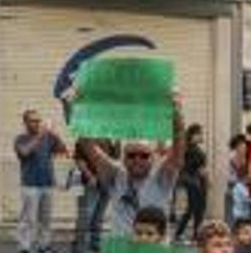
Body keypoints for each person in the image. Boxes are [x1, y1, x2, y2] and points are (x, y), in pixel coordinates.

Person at [78, 93, 186, 237]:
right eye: (131, 155)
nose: (137, 159)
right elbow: (88, 145)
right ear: (123, 158)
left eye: (144, 155)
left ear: (153, 158)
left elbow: (178, 150)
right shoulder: (116, 174)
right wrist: (80, 109)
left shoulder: (161, 177)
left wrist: (176, 113)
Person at [14, 109, 68, 253]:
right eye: (33, 121)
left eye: (39, 120)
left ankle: (44, 246)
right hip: (30, 185)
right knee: (28, 219)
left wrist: (56, 134)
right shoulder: (21, 138)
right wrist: (39, 136)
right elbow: (24, 152)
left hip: (47, 183)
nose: (37, 123)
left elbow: (63, 151)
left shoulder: (48, 138)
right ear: (25, 123)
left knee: (45, 219)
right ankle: (24, 247)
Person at [72, 139, 119, 253]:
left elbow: (115, 159)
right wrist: (90, 176)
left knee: (99, 216)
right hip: (90, 183)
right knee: (86, 216)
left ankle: (95, 243)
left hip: (107, 182)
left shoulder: (111, 137)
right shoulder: (85, 137)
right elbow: (79, 160)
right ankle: (81, 247)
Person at [175, 123, 208, 242]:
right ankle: (192, 234)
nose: (201, 136)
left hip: (193, 181)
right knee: (196, 209)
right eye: (199, 133)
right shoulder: (192, 150)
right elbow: (199, 168)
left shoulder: (189, 148)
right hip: (195, 181)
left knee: (194, 209)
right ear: (193, 135)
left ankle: (189, 234)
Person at [227, 134, 250, 224]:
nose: (244, 149)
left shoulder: (244, 157)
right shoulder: (232, 157)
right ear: (237, 146)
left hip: (243, 186)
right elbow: (234, 173)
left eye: (245, 147)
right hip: (235, 185)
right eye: (242, 146)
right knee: (237, 211)